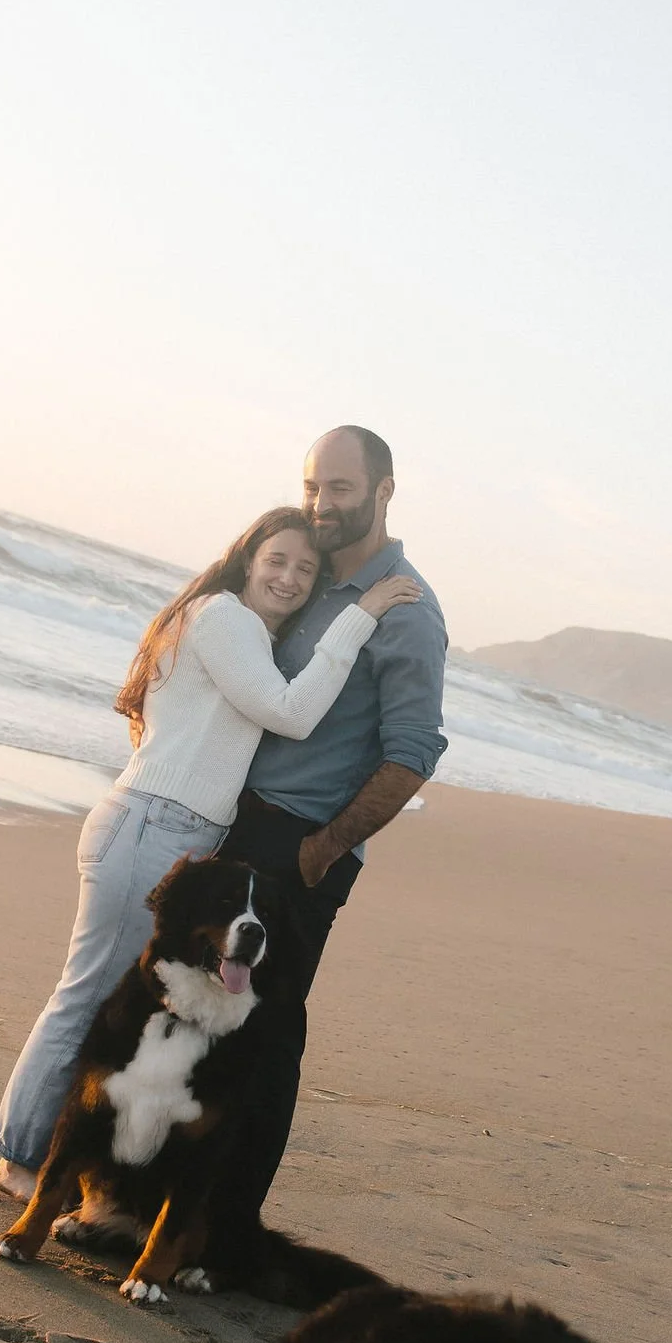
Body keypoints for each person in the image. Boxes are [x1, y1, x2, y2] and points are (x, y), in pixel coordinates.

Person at [0, 505, 420, 1190]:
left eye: (305, 569)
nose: (289, 578)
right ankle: (19, 1157)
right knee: (89, 998)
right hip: (150, 826)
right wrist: (360, 615)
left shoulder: (243, 630)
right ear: (248, 559)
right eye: (276, 560)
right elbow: (292, 713)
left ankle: (51, 1156)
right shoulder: (224, 618)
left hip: (168, 828)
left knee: (109, 1001)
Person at [214, 426, 447, 1229]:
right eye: (313, 486)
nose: (320, 503)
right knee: (201, 1019)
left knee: (266, 1037)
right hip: (239, 825)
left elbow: (415, 752)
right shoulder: (307, 577)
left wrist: (323, 849)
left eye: (339, 488)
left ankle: (226, 1232)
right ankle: (157, 1208)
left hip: (302, 847)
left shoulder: (409, 612)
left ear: (384, 491)